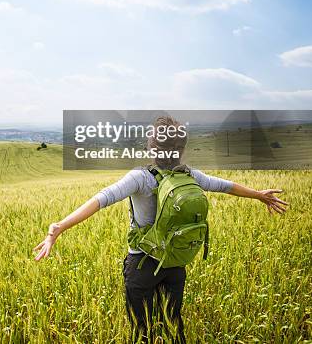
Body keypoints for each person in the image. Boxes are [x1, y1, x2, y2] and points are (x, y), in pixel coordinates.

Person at [33, 116, 288, 343]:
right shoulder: (189, 175)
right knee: (173, 326)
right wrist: (259, 195)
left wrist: (60, 227)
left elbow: (102, 199)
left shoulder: (140, 177)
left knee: (141, 331)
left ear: (151, 147)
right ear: (182, 149)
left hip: (142, 265)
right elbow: (225, 186)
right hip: (175, 263)